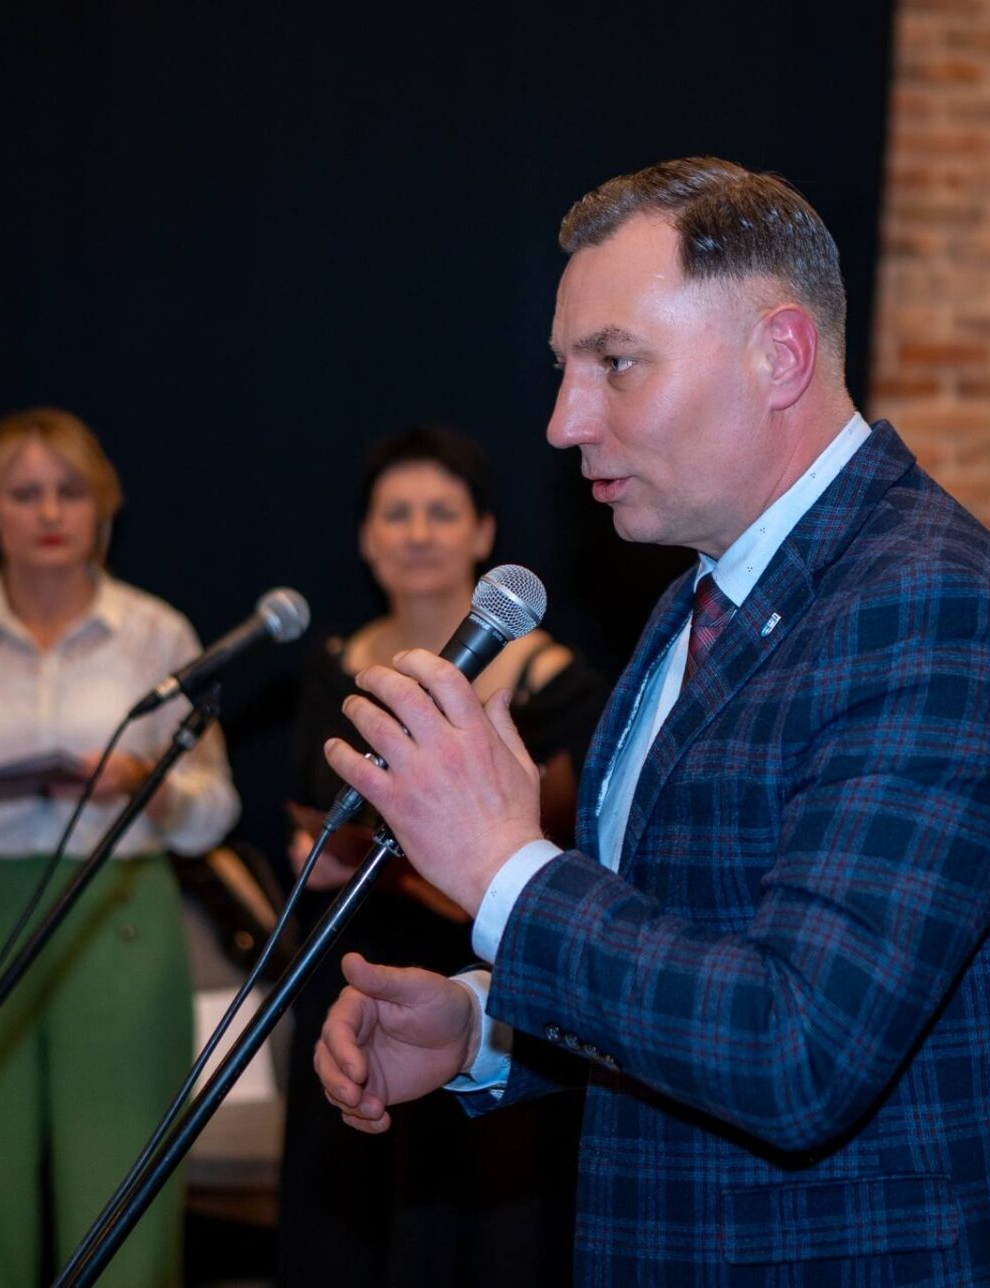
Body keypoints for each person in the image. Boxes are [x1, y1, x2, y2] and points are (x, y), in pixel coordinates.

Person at [312, 159, 990, 1284]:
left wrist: (501, 872)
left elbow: (799, 1051)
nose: (563, 421)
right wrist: (483, 1024)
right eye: (565, 368)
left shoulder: (939, 607)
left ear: (779, 355)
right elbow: (686, 951)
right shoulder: (699, 597)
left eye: (616, 363)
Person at [0, 407, 239, 1287]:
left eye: (69, 491)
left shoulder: (157, 634)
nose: (47, 512)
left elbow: (215, 807)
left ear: (103, 508)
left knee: (122, 1196)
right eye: (24, 493)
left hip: (119, 917)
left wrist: (145, 785)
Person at [276, 425, 604, 1288]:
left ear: (484, 533)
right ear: (365, 538)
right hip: (351, 961)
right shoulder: (332, 669)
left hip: (488, 977)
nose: (418, 533)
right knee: (344, 1229)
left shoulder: (557, 683)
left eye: (441, 513)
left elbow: (579, 844)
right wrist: (313, 850)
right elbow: (304, 804)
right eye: (397, 514)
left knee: (480, 1241)